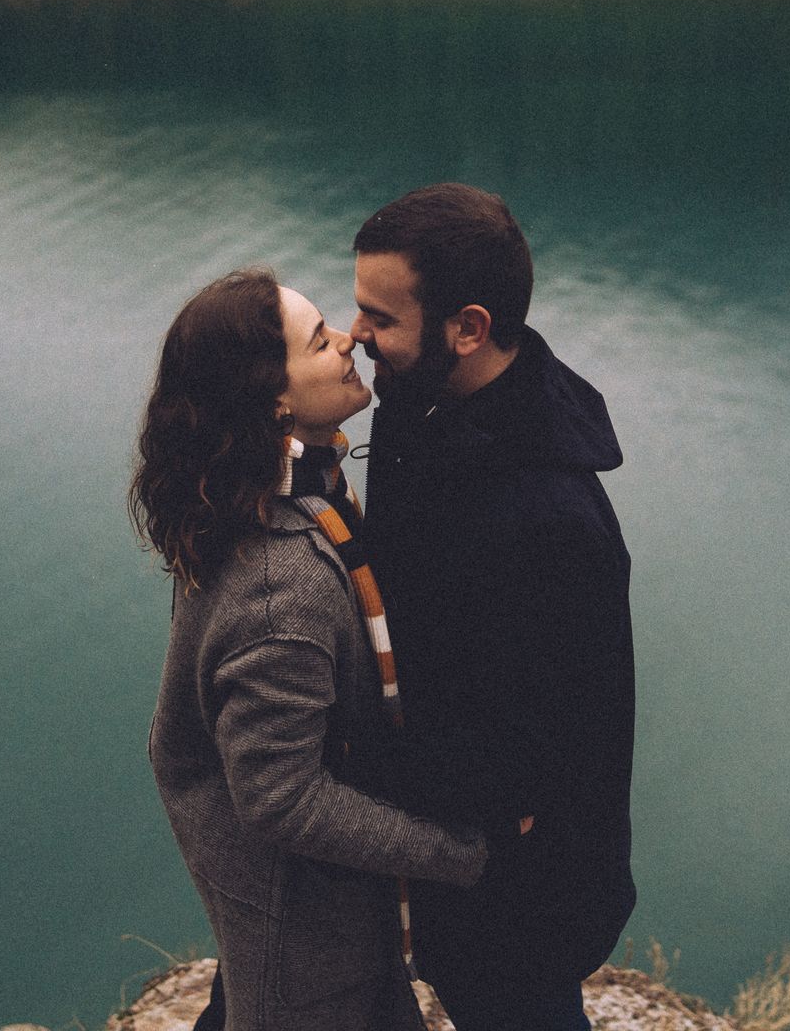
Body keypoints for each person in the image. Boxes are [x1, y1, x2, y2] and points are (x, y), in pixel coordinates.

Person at [135, 267, 489, 1031]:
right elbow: (281, 798)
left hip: (315, 919)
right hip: (307, 953)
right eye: (321, 340)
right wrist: (454, 852)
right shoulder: (279, 585)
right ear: (275, 399)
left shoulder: (278, 493)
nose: (351, 340)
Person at [349, 184, 637, 1031]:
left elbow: (516, 763)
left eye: (380, 316)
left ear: (469, 328)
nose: (357, 333)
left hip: (521, 891)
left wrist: (335, 762)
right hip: (444, 844)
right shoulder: (426, 403)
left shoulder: (547, 523)